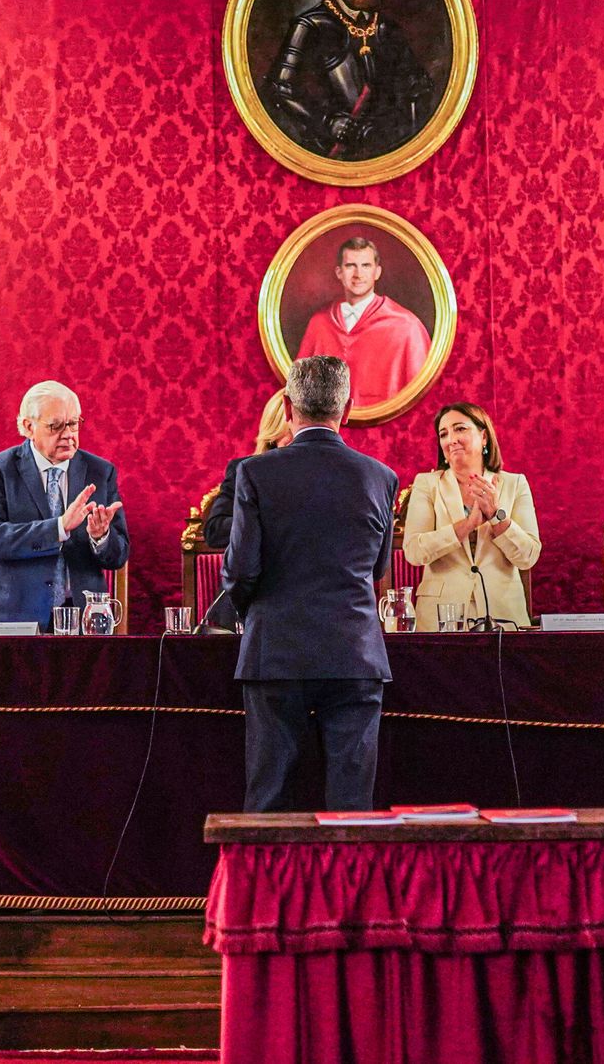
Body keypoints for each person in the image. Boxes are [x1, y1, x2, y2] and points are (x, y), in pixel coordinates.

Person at [222, 355, 398, 812]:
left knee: (269, 800)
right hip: (354, 653)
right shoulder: (381, 478)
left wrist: (253, 615)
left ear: (286, 405)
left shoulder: (257, 473)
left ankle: (264, 887)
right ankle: (349, 886)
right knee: (352, 806)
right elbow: (378, 570)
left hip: (275, 650)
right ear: (348, 407)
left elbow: (241, 570)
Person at [0, 381, 128, 630]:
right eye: (55, 426)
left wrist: (101, 537)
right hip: (13, 616)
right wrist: (59, 527)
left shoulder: (99, 471)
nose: (68, 434)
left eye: (74, 424)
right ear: (27, 427)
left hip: (82, 619)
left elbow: (118, 556)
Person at [403, 402, 541, 629]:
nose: (451, 439)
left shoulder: (515, 484)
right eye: (443, 434)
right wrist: (468, 524)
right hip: (440, 619)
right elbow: (414, 552)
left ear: (484, 436)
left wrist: (497, 516)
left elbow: (528, 556)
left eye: (460, 429)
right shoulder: (426, 484)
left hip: (504, 618)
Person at [259, 0, 434, 161]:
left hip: (386, 147)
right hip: (331, 152)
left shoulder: (386, 27)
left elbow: (416, 83)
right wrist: (327, 122)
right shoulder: (311, 25)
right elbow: (279, 88)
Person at [296, 238, 430, 409]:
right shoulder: (319, 324)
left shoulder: (407, 327)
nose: (358, 274)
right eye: (350, 265)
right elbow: (299, 392)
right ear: (339, 272)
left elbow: (421, 399)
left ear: (377, 272)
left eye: (366, 266)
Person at [204, 390, 292, 550]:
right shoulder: (245, 470)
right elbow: (215, 531)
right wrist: (267, 519)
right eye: (290, 442)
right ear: (273, 437)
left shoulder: (330, 471)